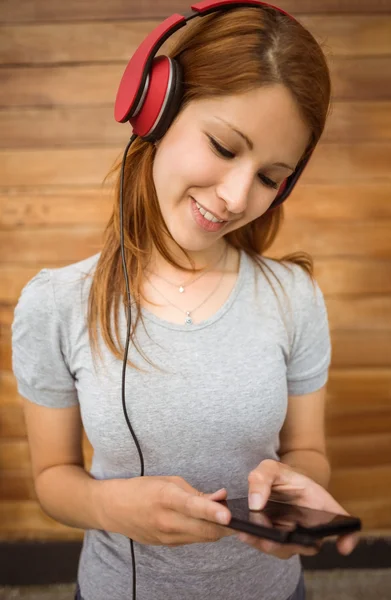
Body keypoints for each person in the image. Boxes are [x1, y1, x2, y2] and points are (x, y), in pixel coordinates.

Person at [11, 5, 359, 600]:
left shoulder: (293, 298)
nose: (235, 197)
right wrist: (110, 505)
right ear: (155, 108)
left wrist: (295, 490)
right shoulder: (56, 303)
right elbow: (52, 479)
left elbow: (308, 453)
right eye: (225, 147)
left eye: (271, 177)